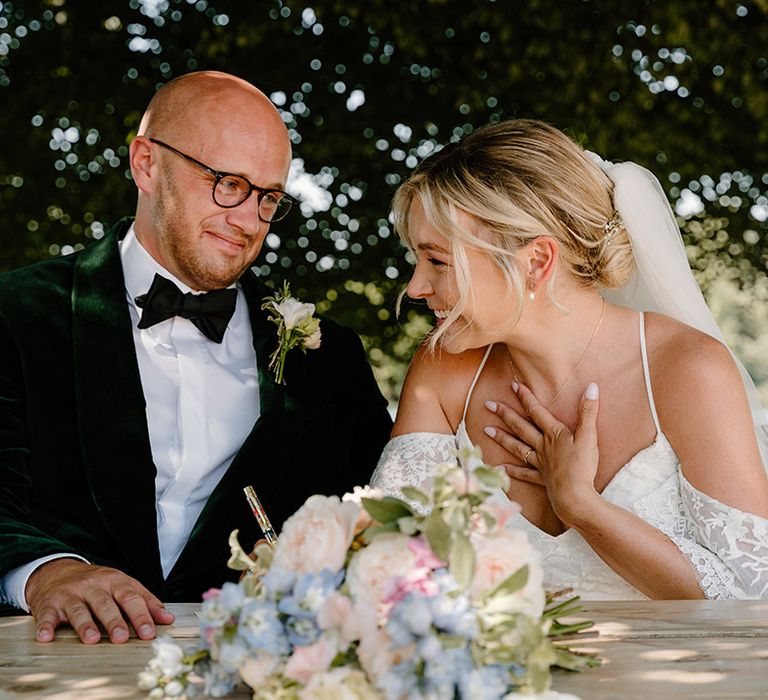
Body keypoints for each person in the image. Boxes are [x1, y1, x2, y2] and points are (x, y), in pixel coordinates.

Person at [0, 71, 392, 643]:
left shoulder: (328, 358)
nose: (249, 220)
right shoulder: (16, 314)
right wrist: (44, 572)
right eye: (228, 183)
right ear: (146, 165)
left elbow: (380, 516)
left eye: (268, 197)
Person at [370, 118, 768, 600]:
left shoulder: (687, 370)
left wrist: (581, 505)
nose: (415, 288)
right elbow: (384, 565)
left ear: (536, 262)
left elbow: (751, 592)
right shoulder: (442, 371)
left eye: (438, 261)